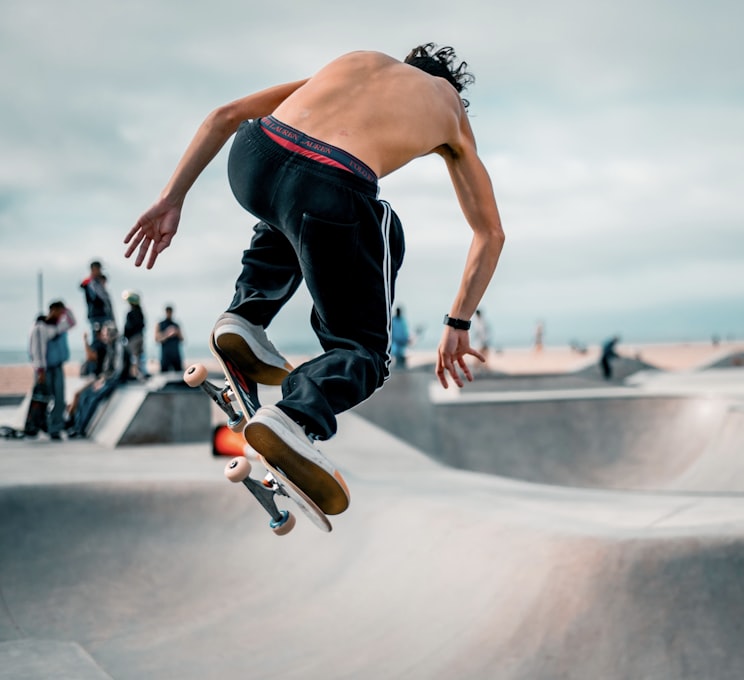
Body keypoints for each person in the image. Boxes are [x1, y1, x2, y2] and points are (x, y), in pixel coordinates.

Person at [124, 44, 505, 512]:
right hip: (329, 186)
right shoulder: (449, 106)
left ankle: (245, 315)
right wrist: (457, 325)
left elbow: (225, 115)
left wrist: (171, 198)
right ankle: (293, 415)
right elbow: (490, 233)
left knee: (297, 206)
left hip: (253, 158)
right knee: (366, 345)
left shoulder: (355, 63)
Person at [27, 301, 77, 439]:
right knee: (43, 399)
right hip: (45, 369)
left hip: (57, 367)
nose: (61, 315)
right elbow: (38, 350)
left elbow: (72, 322)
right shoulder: (40, 327)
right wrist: (40, 370)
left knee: (59, 399)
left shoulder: (57, 327)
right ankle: (37, 424)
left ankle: (55, 427)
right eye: (59, 311)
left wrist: (66, 309)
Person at [80, 262, 114, 338]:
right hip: (96, 314)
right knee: (98, 338)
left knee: (107, 337)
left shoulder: (99, 282)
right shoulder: (90, 283)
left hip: (105, 314)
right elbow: (95, 298)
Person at [122, 291, 148, 380]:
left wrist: (125, 335)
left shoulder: (131, 313)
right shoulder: (140, 312)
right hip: (140, 336)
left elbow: (128, 327)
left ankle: (135, 373)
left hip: (133, 338)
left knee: (133, 356)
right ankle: (142, 372)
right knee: (140, 356)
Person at [155, 305, 185, 373]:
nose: (169, 314)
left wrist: (177, 333)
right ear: (165, 312)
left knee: (179, 374)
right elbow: (156, 339)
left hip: (176, 354)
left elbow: (182, 339)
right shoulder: (160, 324)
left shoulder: (176, 325)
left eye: (170, 312)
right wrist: (167, 334)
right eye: (168, 312)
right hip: (165, 354)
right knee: (164, 373)